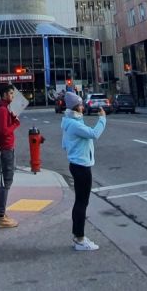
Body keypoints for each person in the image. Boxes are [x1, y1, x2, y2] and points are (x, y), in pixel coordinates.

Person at [61, 93, 106, 251]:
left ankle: (78, 236)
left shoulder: (69, 122)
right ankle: (80, 239)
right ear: (75, 107)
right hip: (81, 166)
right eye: (80, 105)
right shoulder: (74, 124)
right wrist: (102, 119)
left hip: (76, 164)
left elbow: (65, 145)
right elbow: (94, 134)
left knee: (80, 201)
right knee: (82, 202)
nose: (83, 107)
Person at [0, 87, 21, 228]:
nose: (12, 96)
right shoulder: (2, 110)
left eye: (13, 93)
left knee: (7, 181)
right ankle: (0, 216)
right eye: (10, 93)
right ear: (3, 94)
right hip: (5, 149)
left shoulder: (4, 108)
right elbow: (3, 132)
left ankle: (1, 214)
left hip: (6, 148)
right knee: (6, 182)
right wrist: (15, 124)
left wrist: (12, 119)